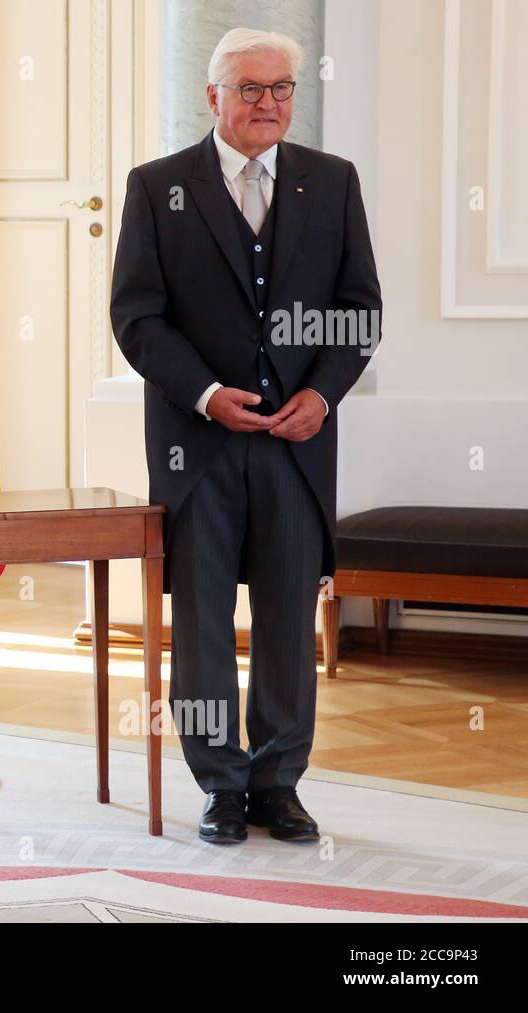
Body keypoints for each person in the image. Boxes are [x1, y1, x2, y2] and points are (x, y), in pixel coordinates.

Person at [109, 29, 382, 844]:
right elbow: (137, 315)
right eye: (252, 90)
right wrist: (203, 393)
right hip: (199, 451)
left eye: (282, 89)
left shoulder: (332, 184)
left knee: (289, 618)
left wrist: (323, 396)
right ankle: (220, 785)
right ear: (214, 98)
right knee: (199, 622)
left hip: (298, 448)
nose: (270, 104)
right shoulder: (158, 188)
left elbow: (359, 309)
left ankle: (279, 782)